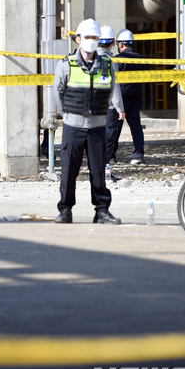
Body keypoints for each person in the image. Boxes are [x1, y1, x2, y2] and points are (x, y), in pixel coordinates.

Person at [52, 18, 121, 225]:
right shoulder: (66, 64)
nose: (91, 41)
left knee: (99, 170)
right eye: (87, 37)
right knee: (69, 171)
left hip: (97, 127)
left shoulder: (107, 65)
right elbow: (58, 92)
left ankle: (101, 211)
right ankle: (65, 210)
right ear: (78, 39)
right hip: (73, 126)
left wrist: (100, 112)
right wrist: (68, 115)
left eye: (94, 37)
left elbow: (110, 90)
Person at [109, 29, 146, 165]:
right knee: (136, 126)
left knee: (114, 127)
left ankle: (111, 155)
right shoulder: (141, 59)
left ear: (121, 45)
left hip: (120, 97)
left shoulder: (117, 60)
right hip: (136, 96)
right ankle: (138, 155)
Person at [97, 26, 126, 166]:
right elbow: (114, 87)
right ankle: (104, 171)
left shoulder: (87, 57)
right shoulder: (109, 61)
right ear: (113, 43)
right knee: (108, 140)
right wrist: (120, 108)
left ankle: (96, 172)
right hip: (107, 108)